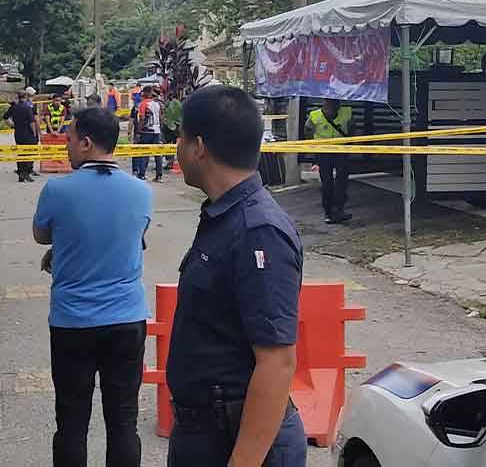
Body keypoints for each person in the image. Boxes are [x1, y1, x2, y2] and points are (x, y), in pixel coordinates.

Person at [167, 85, 305, 467]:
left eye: (180, 137)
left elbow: (277, 362)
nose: (176, 147)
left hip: (236, 439)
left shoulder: (258, 230)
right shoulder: (224, 216)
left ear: (198, 146)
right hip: (205, 431)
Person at [33, 107, 153, 467]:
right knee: (123, 421)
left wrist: (62, 245)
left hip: (73, 323)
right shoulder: (141, 191)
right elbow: (134, 234)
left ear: (86, 143)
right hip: (127, 321)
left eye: (69, 139)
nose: (65, 146)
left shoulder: (57, 190)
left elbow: (41, 235)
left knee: (71, 423)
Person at [304, 99, 354, 224]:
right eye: (328, 105)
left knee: (342, 180)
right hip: (323, 152)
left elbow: (352, 129)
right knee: (327, 182)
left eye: (333, 105)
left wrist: (350, 145)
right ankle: (329, 212)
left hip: (341, 150)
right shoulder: (314, 116)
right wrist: (314, 148)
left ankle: (338, 209)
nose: (331, 108)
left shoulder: (346, 113)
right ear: (324, 104)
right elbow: (307, 131)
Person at [5, 91, 39, 183]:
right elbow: (31, 122)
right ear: (25, 97)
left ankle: (20, 173)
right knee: (28, 153)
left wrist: (12, 125)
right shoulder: (27, 107)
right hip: (27, 133)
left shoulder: (14, 107)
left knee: (20, 153)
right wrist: (34, 133)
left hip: (18, 133)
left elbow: (5, 117)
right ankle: (26, 173)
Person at [136, 87, 164, 182]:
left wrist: (138, 131)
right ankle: (159, 176)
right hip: (157, 131)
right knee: (158, 154)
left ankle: (142, 174)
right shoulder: (157, 104)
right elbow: (160, 118)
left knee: (144, 153)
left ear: (144, 93)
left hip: (146, 131)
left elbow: (142, 119)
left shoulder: (143, 104)